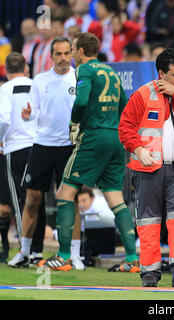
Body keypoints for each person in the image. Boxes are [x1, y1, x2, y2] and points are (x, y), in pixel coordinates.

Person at [42, 32, 139, 273]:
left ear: (81, 51)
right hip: (115, 138)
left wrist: (74, 123)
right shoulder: (112, 73)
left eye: (73, 49)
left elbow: (82, 101)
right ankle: (132, 258)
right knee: (115, 197)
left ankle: (64, 256)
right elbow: (125, 106)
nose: (72, 54)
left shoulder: (85, 70)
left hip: (94, 136)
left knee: (64, 192)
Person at [118, 48, 174, 287]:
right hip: (148, 168)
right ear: (161, 73)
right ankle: (150, 272)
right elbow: (125, 128)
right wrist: (138, 149)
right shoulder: (142, 94)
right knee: (149, 221)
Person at [7, 37, 76, 268]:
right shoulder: (40, 80)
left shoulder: (78, 77)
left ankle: (74, 255)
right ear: (52, 56)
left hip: (68, 146)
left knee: (70, 200)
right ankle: (25, 252)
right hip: (42, 145)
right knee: (32, 199)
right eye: (59, 54)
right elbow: (33, 111)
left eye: (67, 53)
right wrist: (28, 115)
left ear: (72, 53)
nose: (63, 58)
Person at [0, 52, 47, 266]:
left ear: (6, 70)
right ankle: (37, 250)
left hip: (16, 147)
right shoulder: (38, 85)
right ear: (26, 68)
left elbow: (3, 120)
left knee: (20, 201)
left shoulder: (5, 89)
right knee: (39, 199)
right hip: (39, 146)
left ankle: (24, 250)